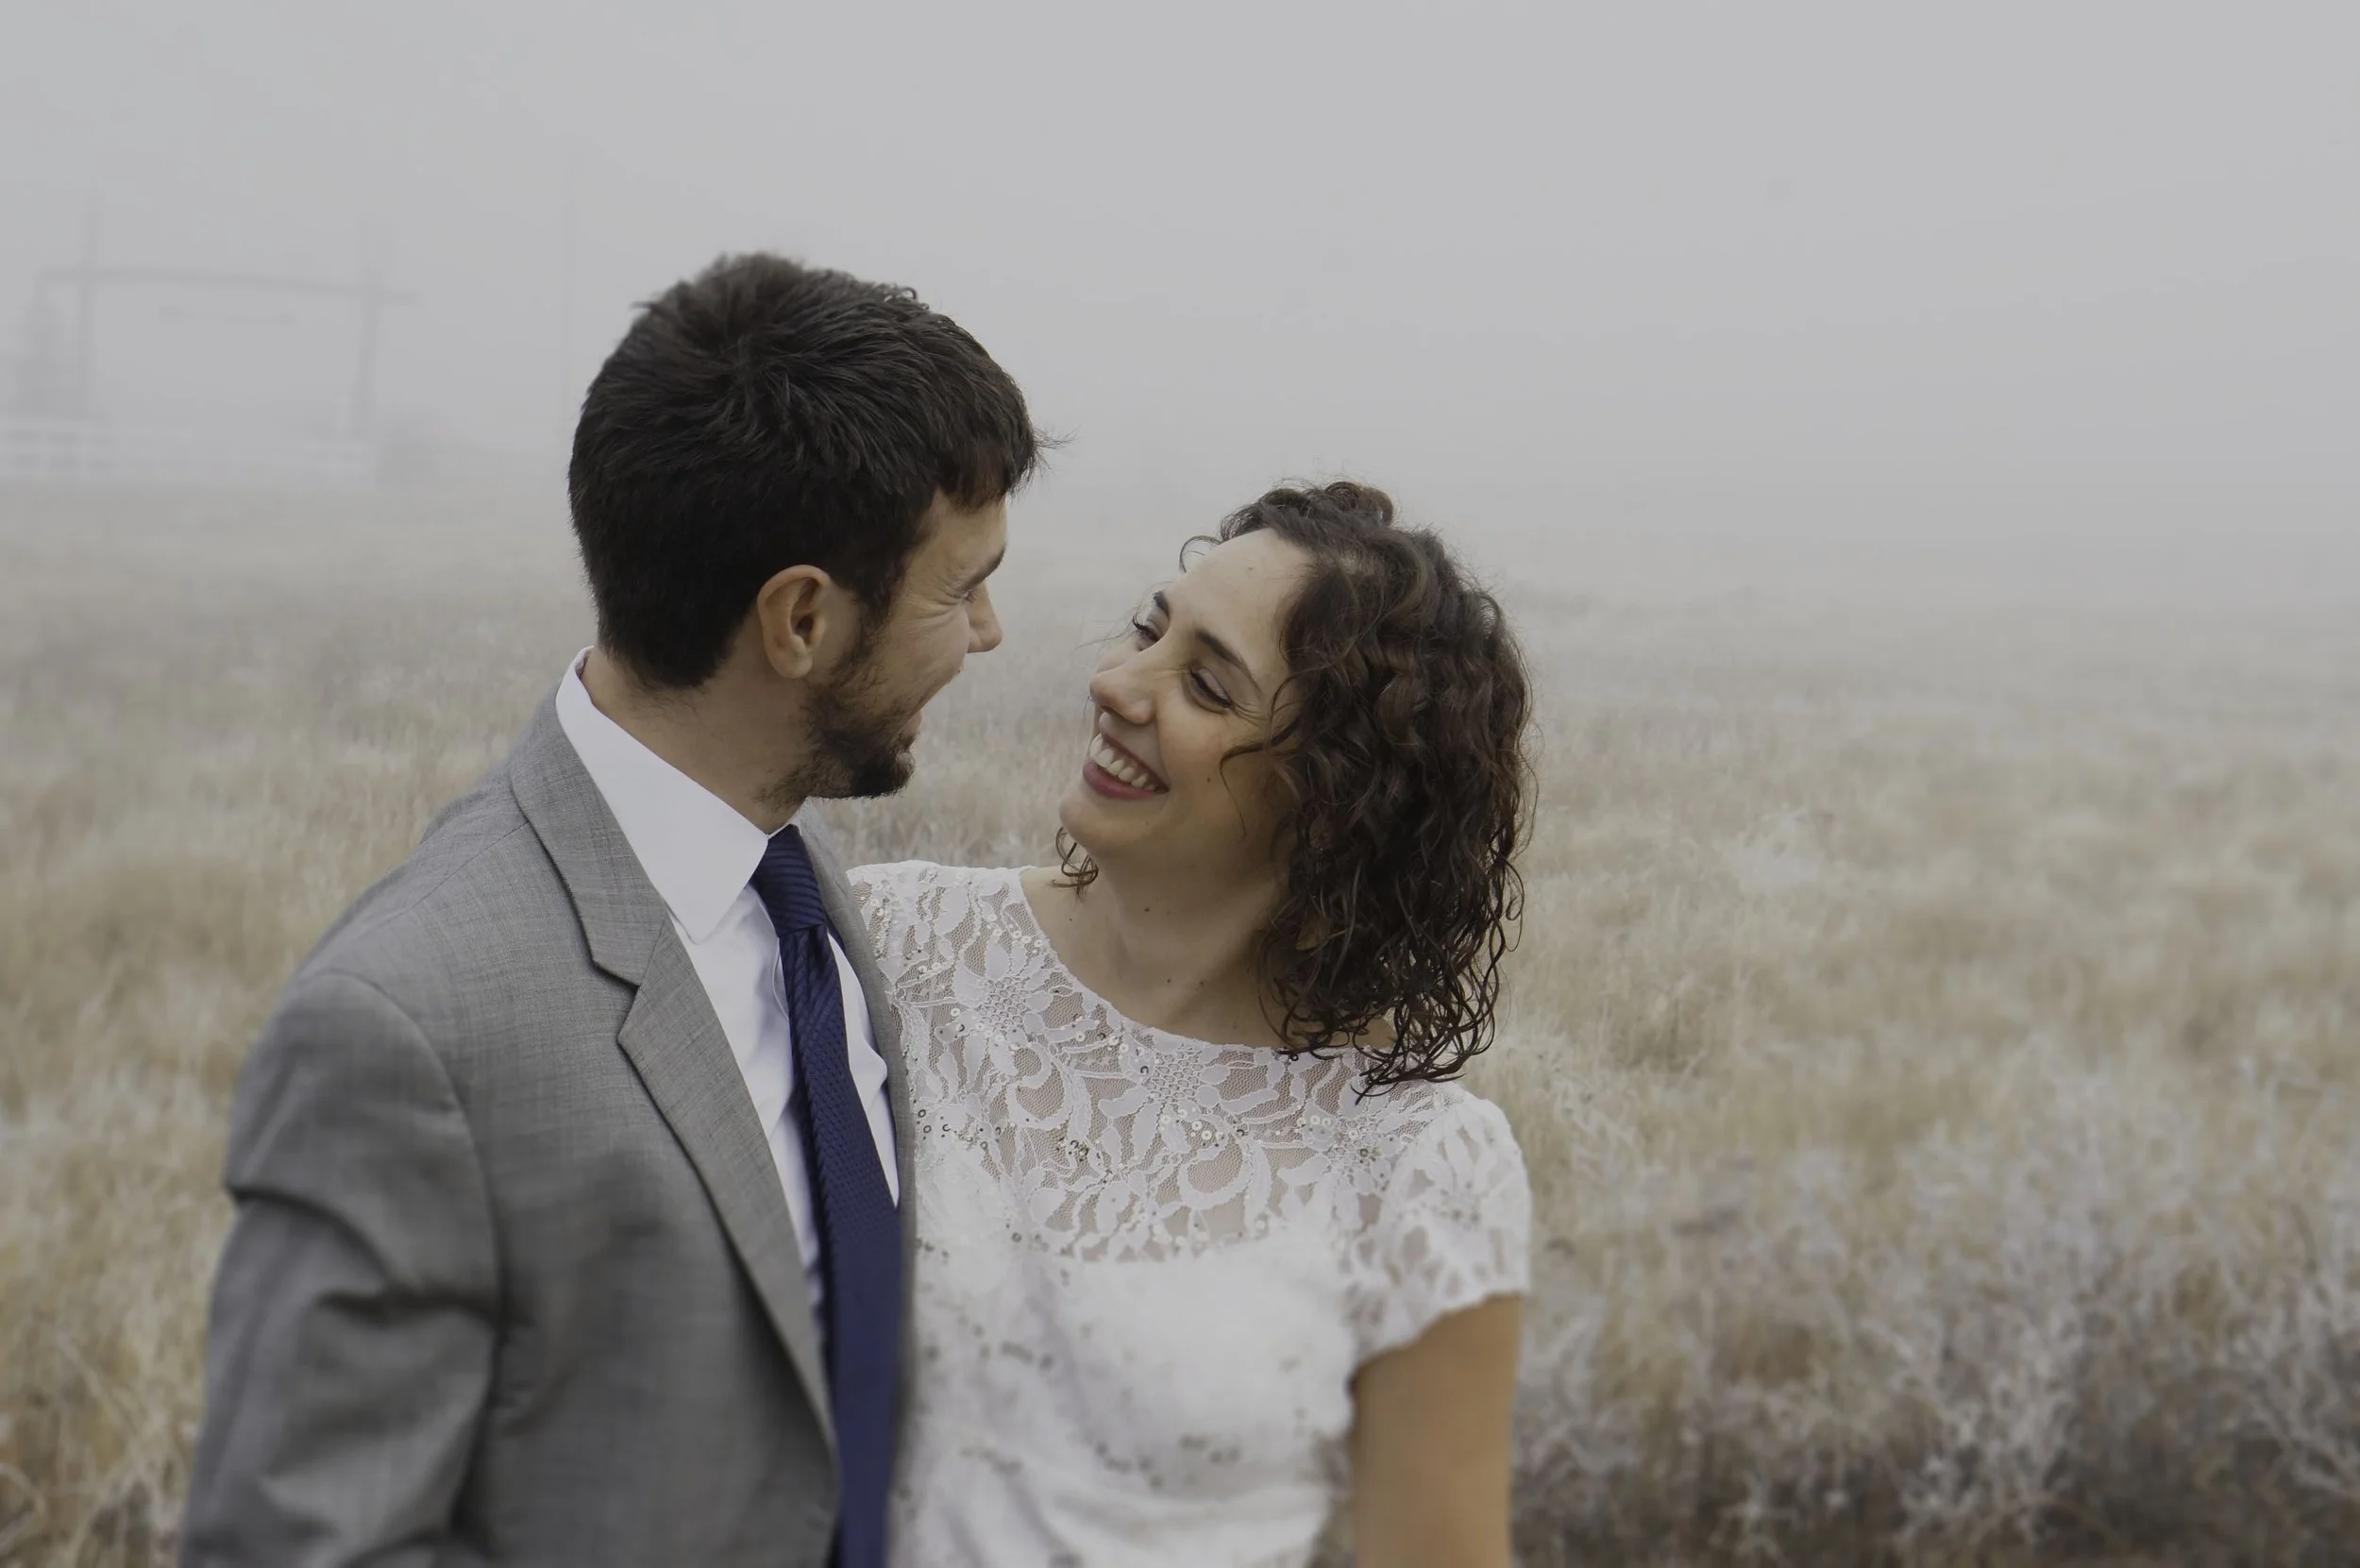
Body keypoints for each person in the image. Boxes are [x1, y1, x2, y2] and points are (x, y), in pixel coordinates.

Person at [177, 253, 1039, 1568]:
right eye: (957, 585)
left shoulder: (788, 871)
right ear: (800, 619)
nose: (986, 631)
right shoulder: (405, 1029)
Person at [851, 481, 1534, 1568]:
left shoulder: (1421, 1164)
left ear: (1335, 800)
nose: (1115, 683)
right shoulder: (894, 944)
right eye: (1148, 631)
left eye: (1207, 684)